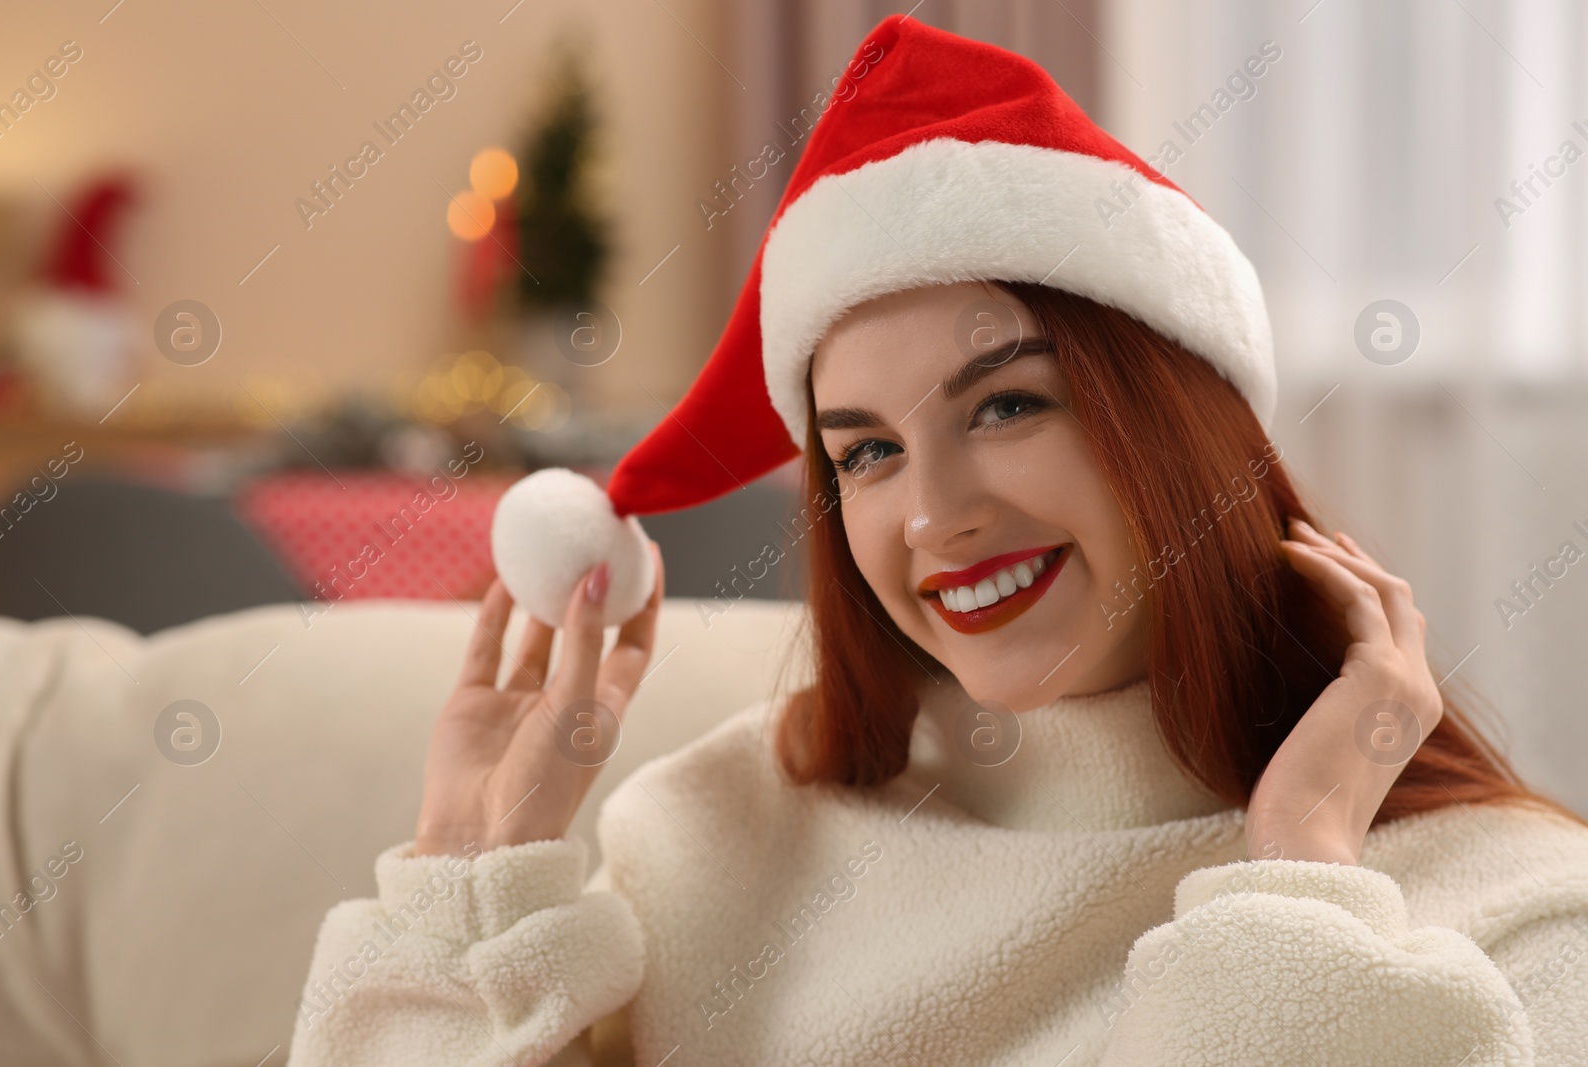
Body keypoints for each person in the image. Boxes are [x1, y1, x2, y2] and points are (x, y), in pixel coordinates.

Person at [290, 15, 1588, 1066]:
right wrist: (469, 872)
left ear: (1185, 432)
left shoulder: (1517, 909)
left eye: (1009, 404)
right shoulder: (709, 840)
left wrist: (1300, 858)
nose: (931, 515)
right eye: (864, 452)